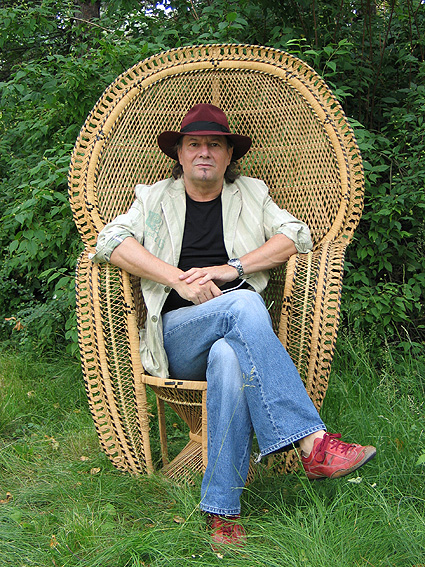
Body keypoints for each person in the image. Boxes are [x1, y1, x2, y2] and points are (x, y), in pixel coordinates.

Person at [93, 103, 376, 548]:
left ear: (228, 157)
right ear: (180, 154)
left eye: (214, 144)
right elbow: (108, 241)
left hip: (237, 336)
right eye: (194, 144)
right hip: (178, 336)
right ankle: (312, 443)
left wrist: (233, 268)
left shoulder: (251, 194)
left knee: (229, 356)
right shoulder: (153, 199)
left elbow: (296, 235)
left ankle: (221, 511)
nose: (204, 152)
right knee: (244, 302)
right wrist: (178, 280)